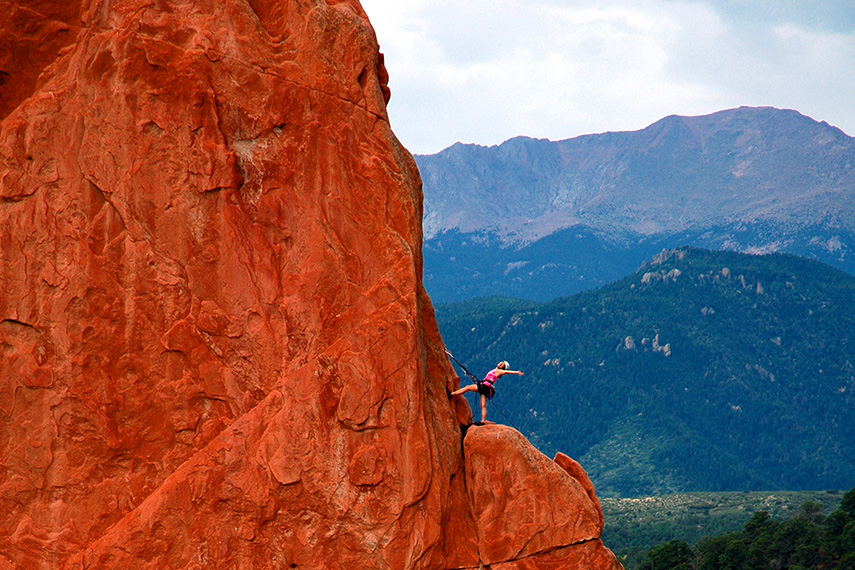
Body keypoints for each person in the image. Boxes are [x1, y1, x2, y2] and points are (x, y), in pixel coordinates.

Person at [451, 360, 523, 424]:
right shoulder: (495, 370)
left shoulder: (499, 371)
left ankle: (452, 394)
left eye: (502, 364)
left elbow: (507, 372)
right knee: (483, 405)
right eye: (501, 362)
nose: (500, 364)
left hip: (485, 386)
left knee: (467, 388)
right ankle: (482, 421)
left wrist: (516, 372)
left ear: (502, 368)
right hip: (486, 387)